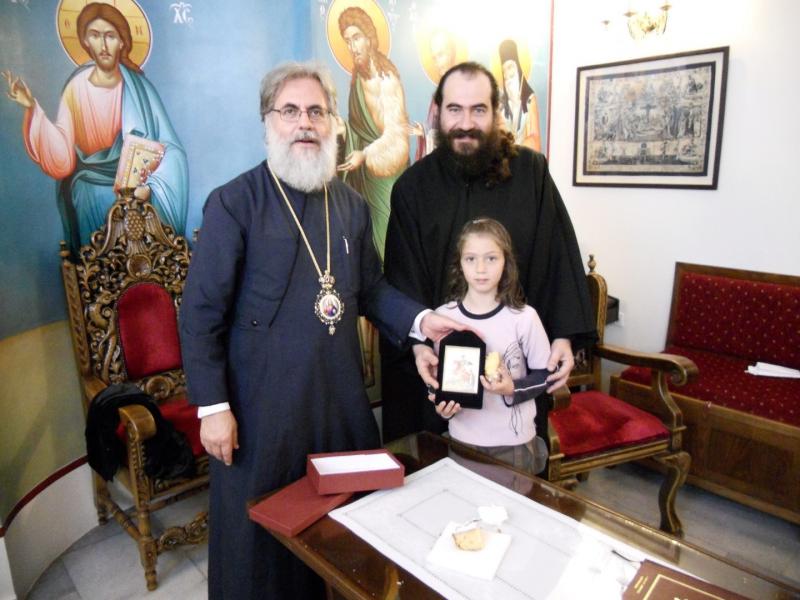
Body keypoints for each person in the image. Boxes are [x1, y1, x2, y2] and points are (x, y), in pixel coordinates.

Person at [178, 61, 465, 600]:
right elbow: (199, 314)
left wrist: (421, 322)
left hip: (339, 406)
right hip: (262, 415)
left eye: (316, 111)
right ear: (268, 122)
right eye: (290, 111)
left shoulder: (351, 205)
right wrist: (212, 407)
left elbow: (372, 289)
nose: (304, 122)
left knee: (347, 542)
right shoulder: (235, 203)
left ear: (333, 122)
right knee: (262, 554)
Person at [381, 61, 596, 443]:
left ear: (495, 112)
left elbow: (557, 260)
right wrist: (417, 347)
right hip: (441, 379)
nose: (466, 123)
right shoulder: (412, 188)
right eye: (455, 109)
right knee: (437, 468)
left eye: (478, 109)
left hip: (513, 378)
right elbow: (402, 282)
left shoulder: (531, 174)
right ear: (438, 112)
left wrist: (563, 336)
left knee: (511, 472)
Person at [2, 2, 188, 255]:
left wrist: (152, 186)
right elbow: (62, 157)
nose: (103, 45)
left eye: (110, 36)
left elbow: (172, 149)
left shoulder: (141, 89)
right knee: (87, 193)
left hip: (138, 190)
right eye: (95, 35)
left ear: (122, 42)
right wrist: (32, 108)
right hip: (89, 184)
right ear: (85, 42)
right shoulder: (76, 88)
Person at [431, 218, 551, 474]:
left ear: (506, 261)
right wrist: (441, 403)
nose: (481, 269)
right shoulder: (441, 319)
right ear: (460, 263)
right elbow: (435, 379)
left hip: (513, 444)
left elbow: (545, 375)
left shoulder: (524, 318)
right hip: (462, 441)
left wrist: (512, 388)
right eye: (471, 259)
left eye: (491, 258)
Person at [336, 6, 409, 258]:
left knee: (386, 239)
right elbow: (358, 127)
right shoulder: (357, 77)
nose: (352, 46)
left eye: (356, 38)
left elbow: (395, 134)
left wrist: (365, 154)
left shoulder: (387, 80)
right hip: (363, 176)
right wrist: (343, 129)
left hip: (386, 174)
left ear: (369, 38)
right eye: (347, 40)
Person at [498, 38, 542, 152]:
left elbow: (535, 138)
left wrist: (516, 148)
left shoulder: (529, 100)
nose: (507, 74)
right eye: (504, 71)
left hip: (524, 158)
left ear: (518, 68)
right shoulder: (501, 106)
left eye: (510, 68)